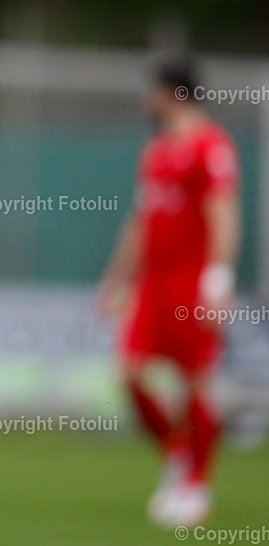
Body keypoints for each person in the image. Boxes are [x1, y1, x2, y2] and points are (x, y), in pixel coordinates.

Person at [98, 58, 241, 528]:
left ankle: (197, 484)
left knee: (195, 383)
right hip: (152, 286)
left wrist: (217, 277)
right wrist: (116, 279)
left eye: (151, 91)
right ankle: (178, 457)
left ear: (171, 93)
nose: (146, 100)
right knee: (128, 375)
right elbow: (141, 222)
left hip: (191, 282)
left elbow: (223, 212)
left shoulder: (210, 145)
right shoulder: (156, 150)